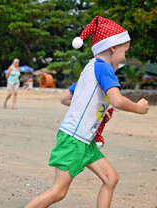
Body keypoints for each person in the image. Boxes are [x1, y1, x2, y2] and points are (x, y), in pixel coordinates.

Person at [25, 16, 149, 208]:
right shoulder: (105, 68)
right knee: (58, 192)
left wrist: (96, 111)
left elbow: (65, 98)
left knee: (111, 178)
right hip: (75, 139)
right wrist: (139, 108)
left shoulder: (89, 68)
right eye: (125, 51)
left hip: (84, 140)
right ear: (113, 47)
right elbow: (117, 100)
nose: (125, 57)